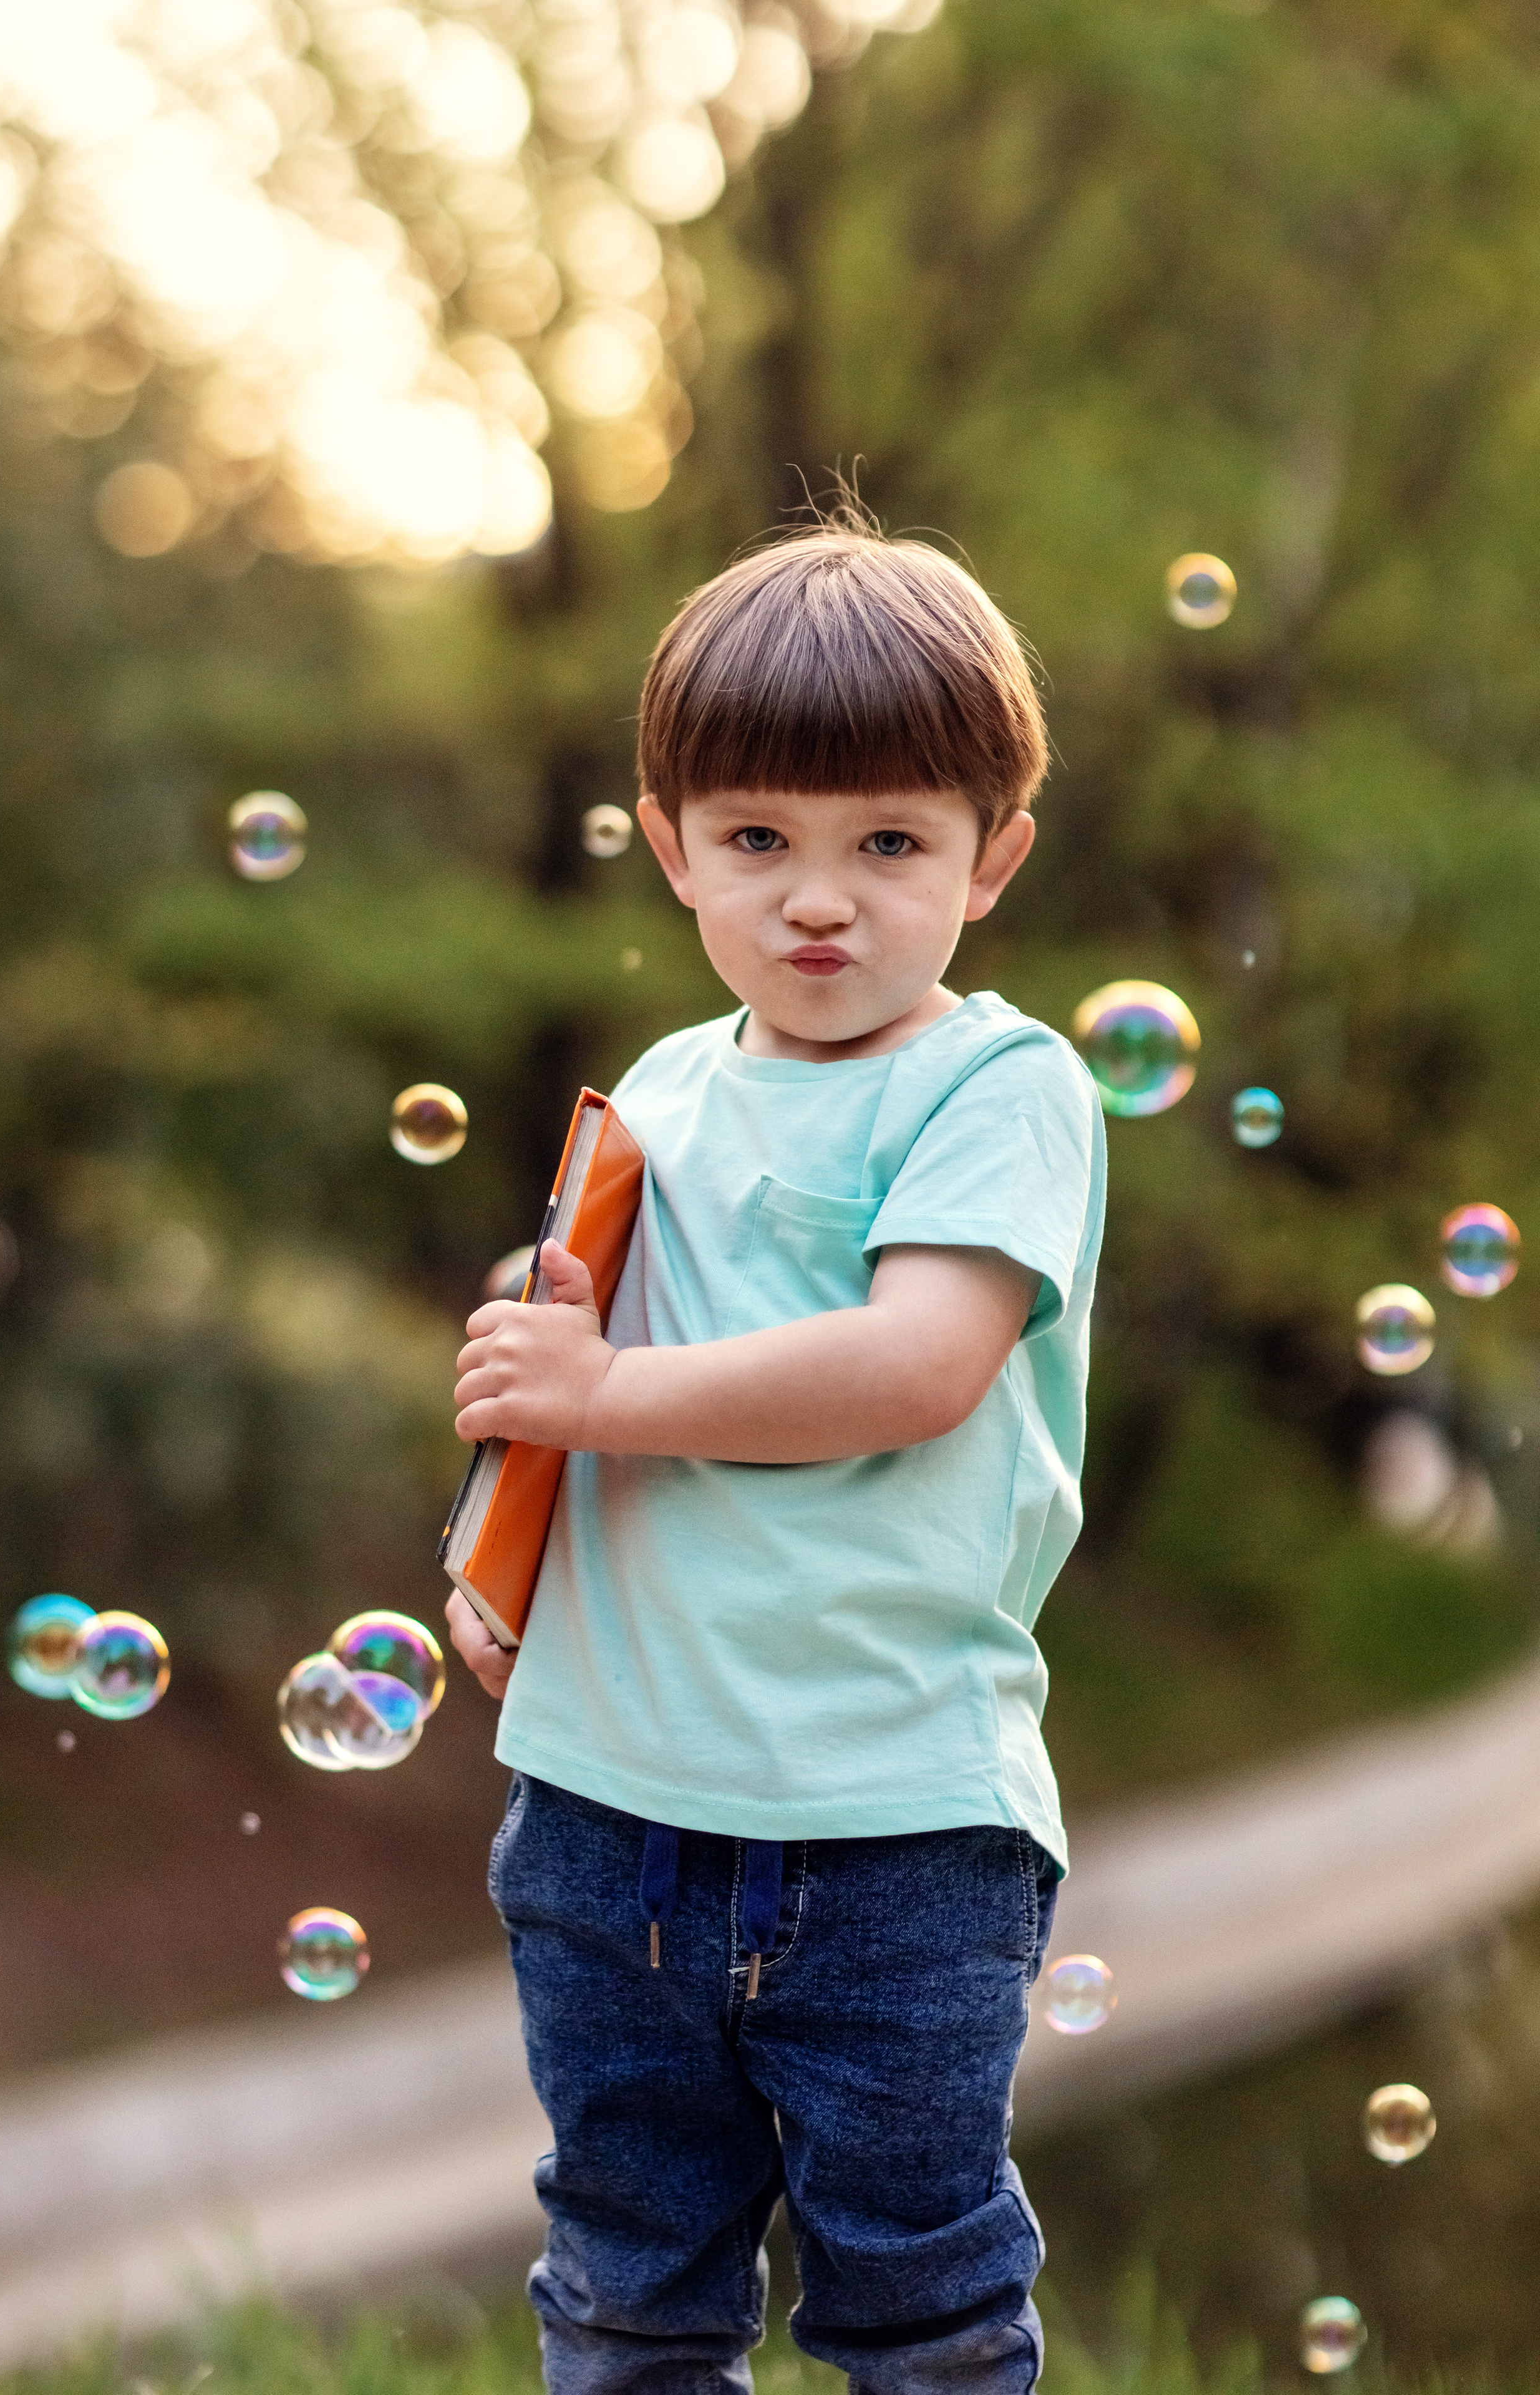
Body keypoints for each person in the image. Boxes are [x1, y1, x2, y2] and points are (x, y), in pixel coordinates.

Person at [445, 516, 1107, 2395]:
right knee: (627, 2284)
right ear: (672, 849)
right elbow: (586, 1372)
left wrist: (593, 1396)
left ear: (994, 859)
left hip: (895, 1826)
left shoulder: (1000, 1087)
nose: (821, 901)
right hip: (607, 1816)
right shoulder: (657, 1092)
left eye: (890, 843)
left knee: (922, 2303)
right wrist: (502, 1530)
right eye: (757, 841)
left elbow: (915, 1366)